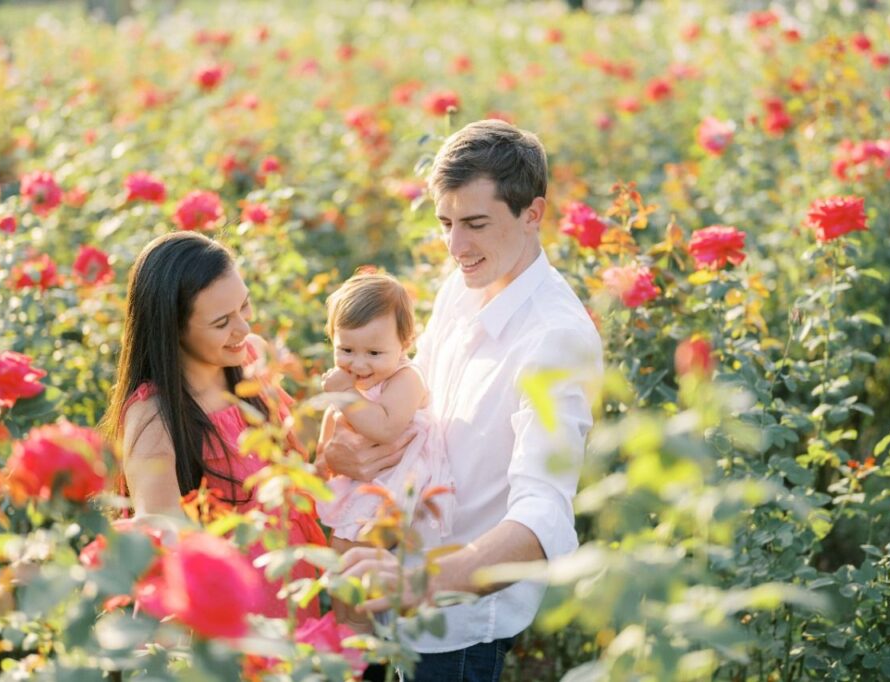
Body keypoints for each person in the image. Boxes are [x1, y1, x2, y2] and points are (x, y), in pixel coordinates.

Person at [321, 119, 603, 680]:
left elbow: (544, 514)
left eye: (475, 223)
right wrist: (351, 453)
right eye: (445, 222)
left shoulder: (555, 339)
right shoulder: (463, 286)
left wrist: (424, 581)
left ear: (533, 213)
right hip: (387, 591)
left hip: (456, 633)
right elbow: (416, 401)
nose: (455, 246)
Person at [99, 231, 325, 621]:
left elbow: (288, 463)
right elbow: (163, 537)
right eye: (222, 322)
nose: (242, 328)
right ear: (173, 328)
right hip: (231, 614)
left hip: (293, 588)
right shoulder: (154, 416)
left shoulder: (250, 358)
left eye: (245, 306)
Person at [316, 272, 455, 631]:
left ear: (405, 342)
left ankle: (362, 645)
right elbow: (328, 442)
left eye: (374, 353)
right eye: (346, 350)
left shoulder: (406, 379)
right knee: (341, 564)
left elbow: (386, 426)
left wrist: (344, 396)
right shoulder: (360, 380)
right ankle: (346, 632)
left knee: (363, 570)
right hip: (363, 489)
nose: (359, 365)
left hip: (392, 492)